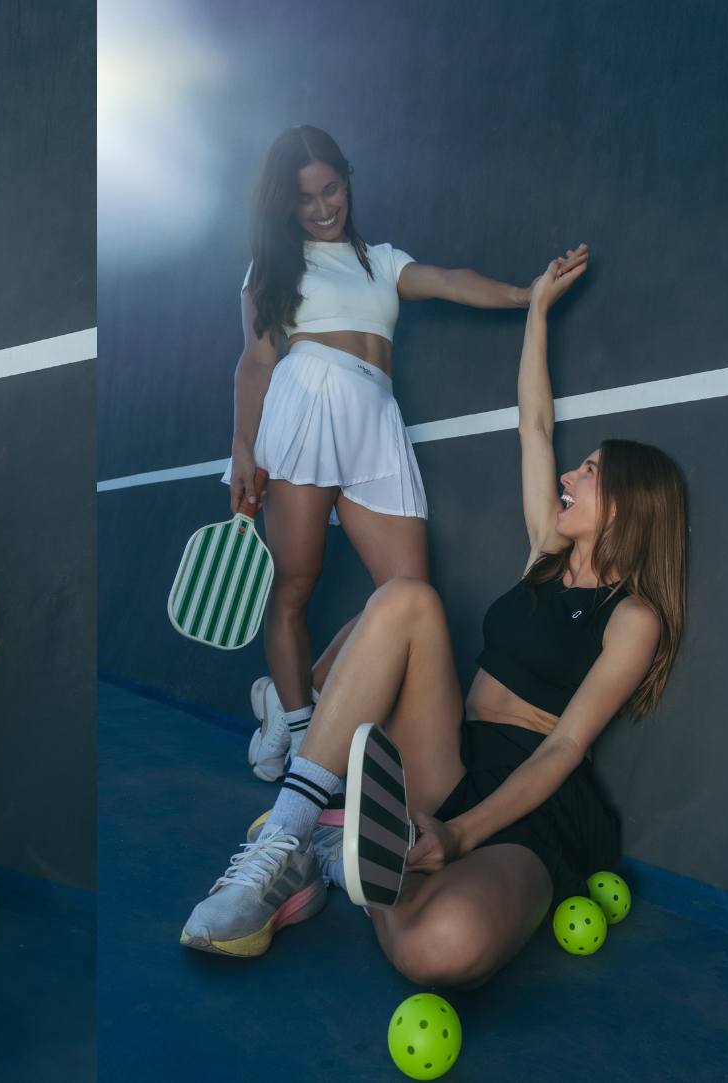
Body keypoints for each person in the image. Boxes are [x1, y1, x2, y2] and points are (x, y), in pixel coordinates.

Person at [180, 246, 696, 989]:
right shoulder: (547, 551)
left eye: (590, 473)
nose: (569, 476)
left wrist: (456, 835)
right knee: (407, 596)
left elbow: (564, 750)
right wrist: (537, 309)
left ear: (628, 506)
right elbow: (535, 426)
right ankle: (293, 842)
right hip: (451, 754)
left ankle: (355, 862)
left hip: (530, 802)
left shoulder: (634, 617)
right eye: (577, 467)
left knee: (439, 947)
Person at [224, 125, 540, 784]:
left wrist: (526, 295)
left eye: (330, 188)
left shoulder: (382, 261)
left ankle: (293, 699)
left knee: (407, 593)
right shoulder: (273, 268)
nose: (320, 207)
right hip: (305, 403)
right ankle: (308, 738)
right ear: (286, 204)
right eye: (304, 197)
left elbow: (451, 280)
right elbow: (256, 360)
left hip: (375, 419)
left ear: (347, 179)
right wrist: (244, 445)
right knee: (295, 585)